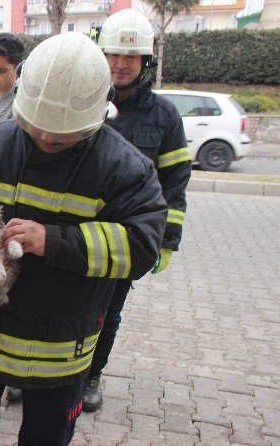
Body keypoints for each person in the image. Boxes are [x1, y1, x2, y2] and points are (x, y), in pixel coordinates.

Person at [0, 32, 167, 445]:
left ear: (97, 117)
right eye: (37, 129)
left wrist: (54, 241)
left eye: (60, 137)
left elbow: (141, 245)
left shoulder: (124, 169)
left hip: (58, 355)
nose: (46, 139)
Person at [81, 8, 192, 413]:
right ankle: (41, 376)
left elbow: (175, 184)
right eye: (113, 55)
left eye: (131, 57)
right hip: (73, 232)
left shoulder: (164, 116)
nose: (121, 64)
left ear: (146, 61)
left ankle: (90, 377)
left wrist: (166, 241)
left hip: (123, 241)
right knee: (58, 306)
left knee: (106, 316)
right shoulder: (83, 101)